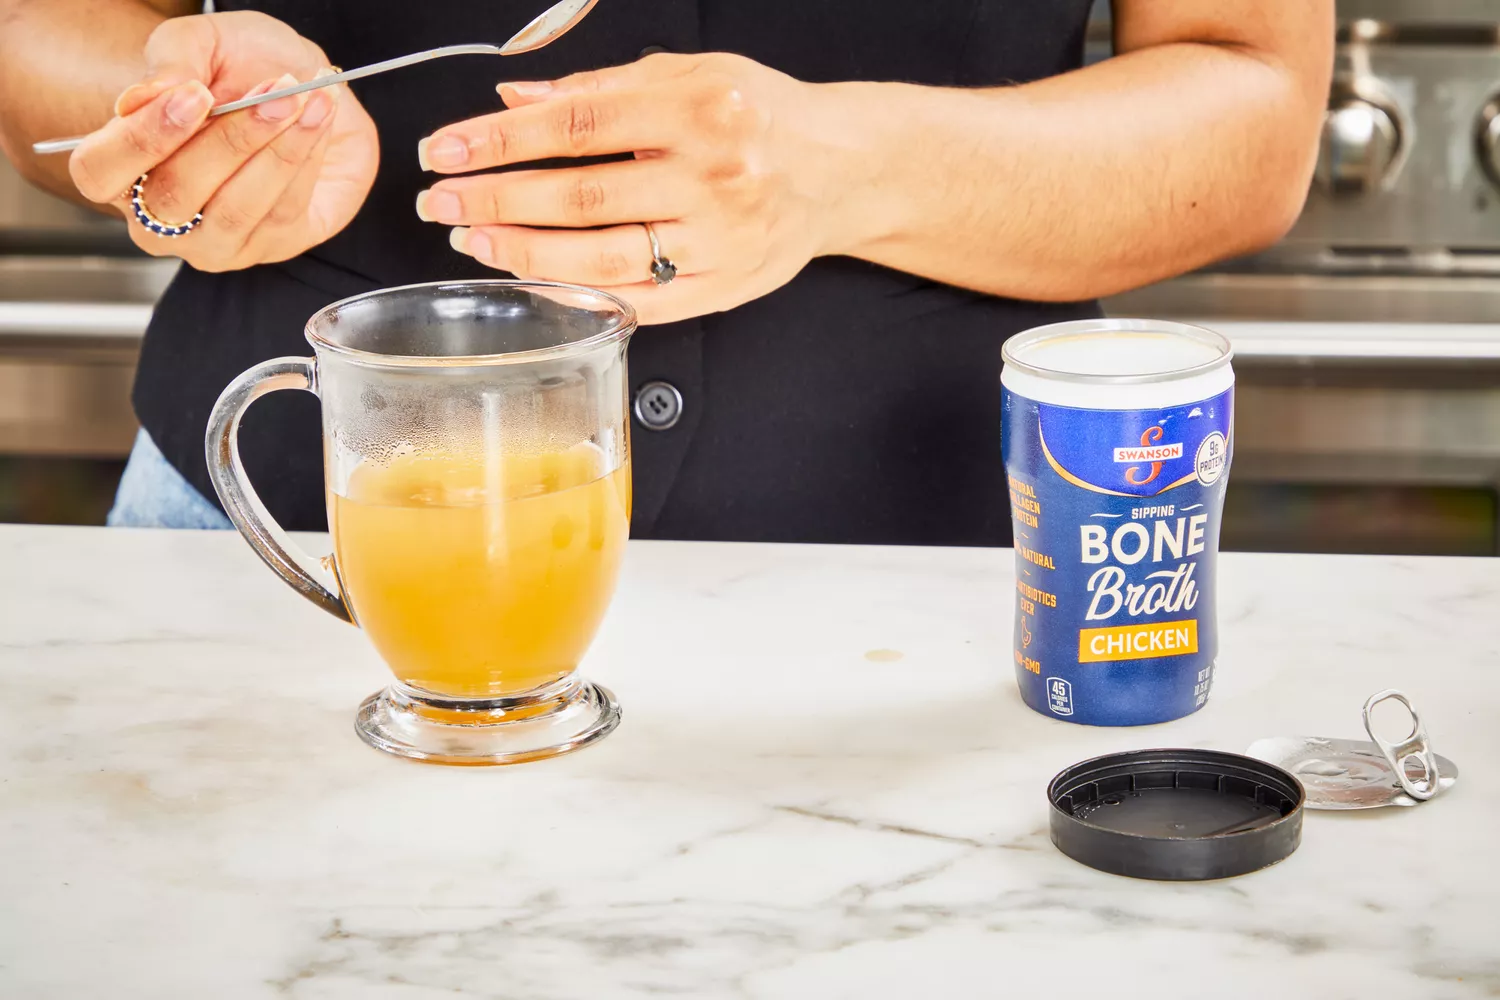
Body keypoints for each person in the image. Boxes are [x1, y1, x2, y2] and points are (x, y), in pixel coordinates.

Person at [0, 1, 1332, 545]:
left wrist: (847, 165)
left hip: (945, 604)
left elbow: (1254, 108)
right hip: (282, 553)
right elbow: (46, 28)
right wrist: (180, 127)